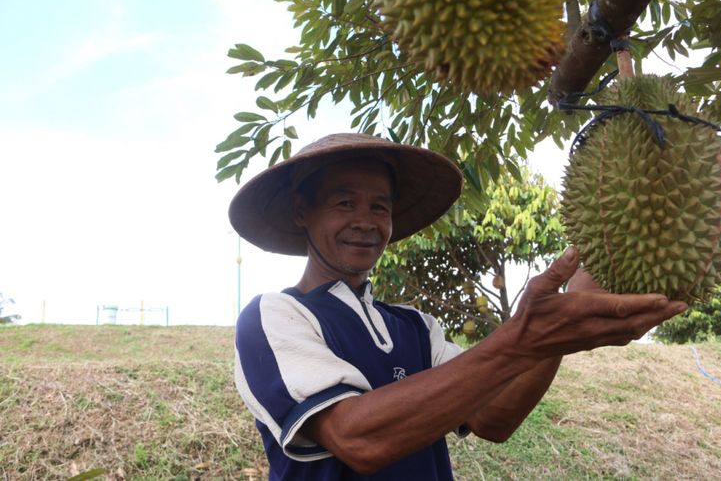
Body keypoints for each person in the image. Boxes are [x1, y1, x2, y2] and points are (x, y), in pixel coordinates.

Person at [229, 133, 687, 480]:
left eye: (380, 207)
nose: (365, 222)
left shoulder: (415, 326)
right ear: (300, 213)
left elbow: (494, 418)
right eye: (344, 202)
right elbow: (356, 438)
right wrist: (520, 339)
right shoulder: (274, 316)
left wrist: (561, 328)